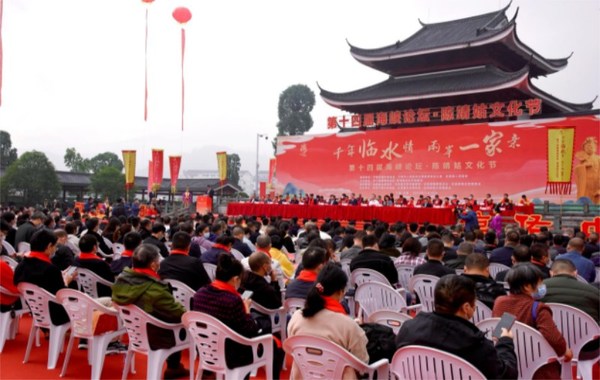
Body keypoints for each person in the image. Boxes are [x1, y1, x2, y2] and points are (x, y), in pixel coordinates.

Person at [396, 275, 518, 379]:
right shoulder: (477, 345)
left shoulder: (408, 328)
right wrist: (505, 341)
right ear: (466, 307)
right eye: (474, 303)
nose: (475, 307)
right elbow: (507, 375)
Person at [193, 254, 284, 377]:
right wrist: (246, 309)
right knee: (275, 345)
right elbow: (250, 330)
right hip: (233, 355)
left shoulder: (199, 293)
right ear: (236, 279)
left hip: (206, 349)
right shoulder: (233, 300)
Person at [111, 244, 189, 379]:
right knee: (182, 324)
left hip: (134, 333)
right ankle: (174, 367)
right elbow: (178, 314)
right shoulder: (156, 289)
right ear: (153, 265)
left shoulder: (121, 279)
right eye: (158, 260)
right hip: (157, 336)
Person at [287, 263, 369, 380]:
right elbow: (362, 365)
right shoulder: (348, 325)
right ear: (341, 292)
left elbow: (292, 350)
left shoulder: (297, 316)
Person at [493, 263, 573, 379]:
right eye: (540, 282)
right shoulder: (538, 308)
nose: (542, 286)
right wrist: (566, 352)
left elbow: (500, 330)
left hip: (509, 361)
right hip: (538, 368)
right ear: (527, 287)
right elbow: (554, 338)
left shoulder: (500, 302)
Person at [14, 229, 77, 326]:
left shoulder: (21, 265)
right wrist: (67, 281)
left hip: (35, 311)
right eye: (55, 246)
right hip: (56, 315)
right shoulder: (50, 269)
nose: (55, 249)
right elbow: (61, 294)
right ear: (48, 246)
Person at [574, 136, 600, 203]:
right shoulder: (583, 159)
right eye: (587, 147)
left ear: (595, 148)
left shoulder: (598, 159)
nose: (589, 148)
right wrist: (583, 166)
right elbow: (577, 170)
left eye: (591, 146)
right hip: (586, 187)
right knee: (585, 203)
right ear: (584, 149)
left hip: (596, 185)